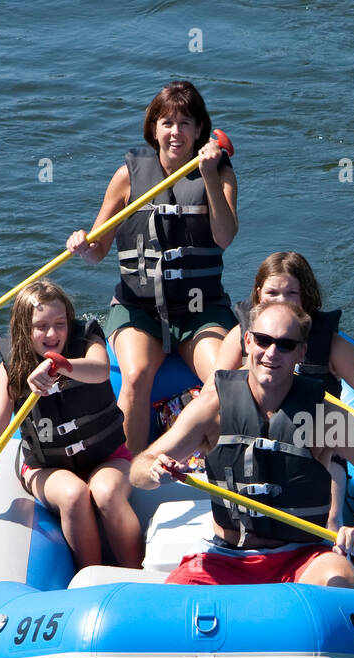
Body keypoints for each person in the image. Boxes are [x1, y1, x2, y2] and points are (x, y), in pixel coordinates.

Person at [131, 300, 354, 588]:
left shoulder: (326, 417)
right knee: (175, 596)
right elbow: (139, 468)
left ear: (301, 352)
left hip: (301, 557)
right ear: (248, 341)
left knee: (340, 577)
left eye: (286, 345)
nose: (272, 353)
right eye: (264, 341)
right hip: (226, 557)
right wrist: (154, 470)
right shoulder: (211, 409)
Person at [66, 80, 238, 457]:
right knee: (137, 376)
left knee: (224, 381)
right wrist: (82, 246)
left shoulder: (221, 174)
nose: (176, 132)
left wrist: (208, 176)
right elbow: (98, 252)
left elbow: (224, 237)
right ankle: (131, 469)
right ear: (154, 129)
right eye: (167, 123)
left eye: (186, 123)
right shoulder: (127, 176)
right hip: (138, 309)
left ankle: (215, 464)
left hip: (200, 310)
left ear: (199, 131)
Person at [0, 280, 144, 571]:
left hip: (107, 457)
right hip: (46, 466)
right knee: (74, 495)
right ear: (25, 328)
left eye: (60, 323)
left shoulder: (87, 340)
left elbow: (100, 371)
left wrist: (62, 365)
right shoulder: (12, 367)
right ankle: (90, 576)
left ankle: (136, 573)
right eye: (41, 326)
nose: (52, 333)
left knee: (106, 492)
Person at [213, 251, 354, 467]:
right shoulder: (241, 338)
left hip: (318, 450)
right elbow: (212, 392)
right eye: (272, 293)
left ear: (306, 296)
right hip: (254, 442)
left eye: (292, 293)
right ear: (259, 293)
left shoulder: (331, 346)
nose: (281, 301)